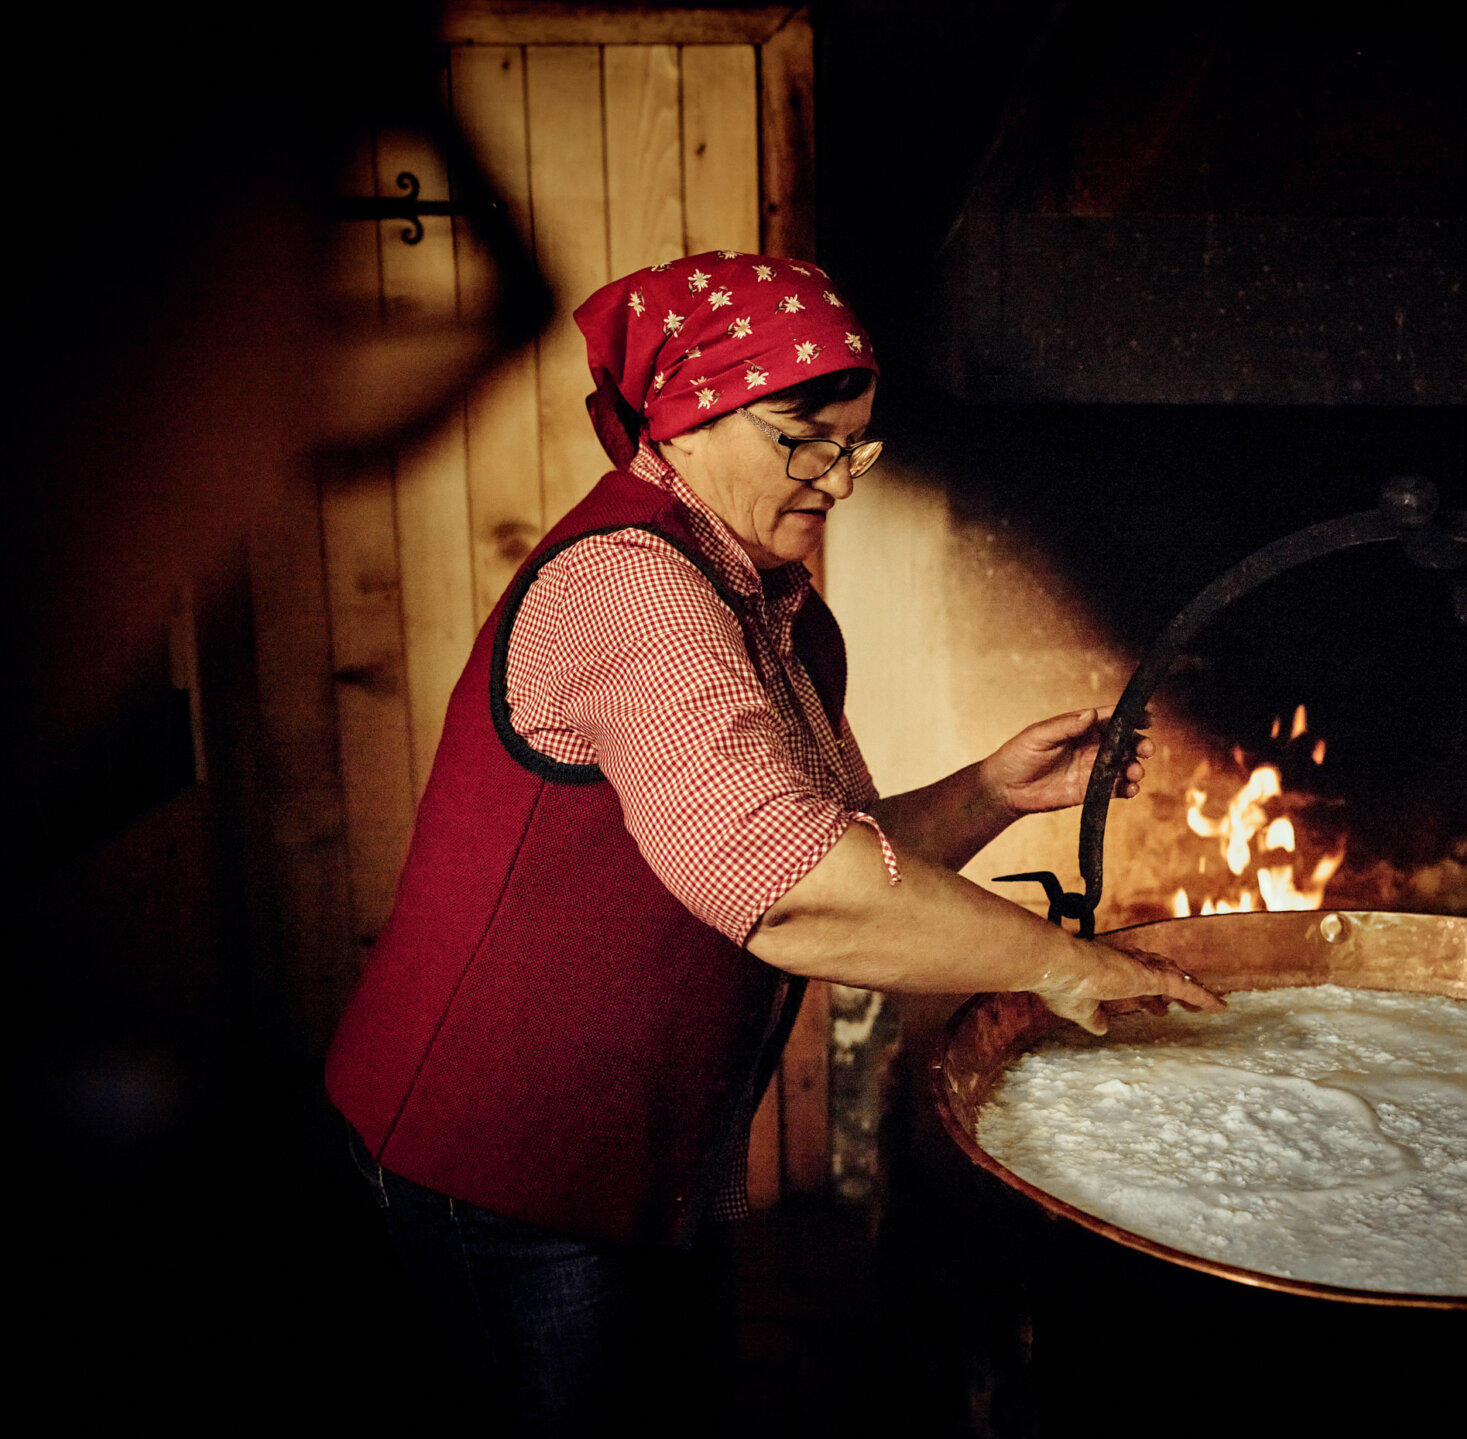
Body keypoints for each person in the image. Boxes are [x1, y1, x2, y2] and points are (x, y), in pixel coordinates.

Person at [324, 250, 1222, 1433]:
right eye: (805, 438)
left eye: (856, 443)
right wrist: (1067, 960)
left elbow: (831, 847)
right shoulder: (631, 591)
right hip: (501, 1161)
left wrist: (991, 790)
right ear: (686, 420)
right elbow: (797, 895)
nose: (840, 480)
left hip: (655, 1151)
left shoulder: (764, 596)